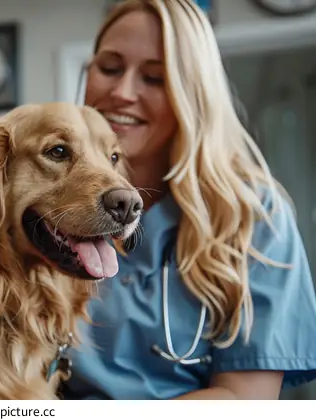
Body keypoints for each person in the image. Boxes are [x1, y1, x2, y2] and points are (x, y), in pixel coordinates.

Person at [60, 0, 316, 400]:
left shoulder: (253, 218)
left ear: (193, 93)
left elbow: (244, 401)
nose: (122, 92)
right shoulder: (45, 208)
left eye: (155, 78)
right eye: (109, 68)